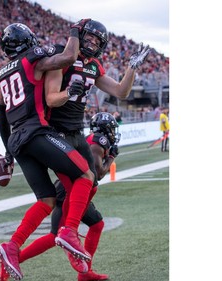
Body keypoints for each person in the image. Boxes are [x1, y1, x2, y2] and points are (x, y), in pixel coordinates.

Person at [42, 18, 149, 272]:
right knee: (79, 181)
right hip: (56, 131)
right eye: (87, 37)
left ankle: (69, 236)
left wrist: (132, 68)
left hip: (76, 131)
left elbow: (121, 92)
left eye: (96, 41)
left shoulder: (93, 66)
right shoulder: (63, 58)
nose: (91, 43)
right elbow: (51, 98)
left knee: (90, 180)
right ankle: (68, 232)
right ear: (78, 36)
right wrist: (69, 92)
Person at [0, 20, 96, 281]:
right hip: (36, 132)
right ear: (28, 41)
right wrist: (75, 30)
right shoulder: (33, 58)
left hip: (17, 140)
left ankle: (12, 246)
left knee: (46, 200)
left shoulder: (3, 73)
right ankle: (70, 231)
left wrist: (8, 152)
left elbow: (1, 116)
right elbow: (68, 56)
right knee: (85, 174)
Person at [0, 112, 120, 281]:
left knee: (92, 226)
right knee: (59, 235)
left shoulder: (91, 139)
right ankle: (14, 258)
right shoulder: (98, 140)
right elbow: (97, 173)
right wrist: (112, 157)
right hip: (71, 191)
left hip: (70, 189)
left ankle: (85, 272)